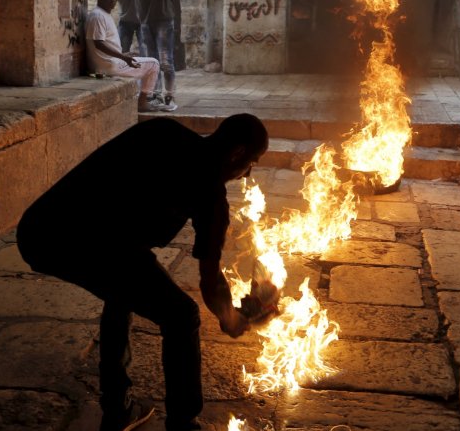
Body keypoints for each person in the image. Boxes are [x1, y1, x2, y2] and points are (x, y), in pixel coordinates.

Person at [16, 113, 270, 431]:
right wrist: (230, 319)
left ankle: (116, 408)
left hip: (40, 227)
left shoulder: (161, 130)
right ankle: (183, 421)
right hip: (79, 240)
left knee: (122, 290)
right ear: (236, 153)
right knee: (182, 315)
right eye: (252, 162)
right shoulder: (212, 197)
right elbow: (209, 279)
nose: (248, 173)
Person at [88, 0, 182, 111]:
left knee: (166, 59)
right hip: (145, 20)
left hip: (163, 17)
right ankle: (154, 94)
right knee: (153, 59)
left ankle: (169, 96)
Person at [86, 0, 162, 112]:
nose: (114, 0)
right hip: (108, 66)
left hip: (108, 62)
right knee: (154, 64)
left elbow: (105, 43)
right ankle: (142, 103)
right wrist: (123, 57)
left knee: (139, 68)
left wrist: (125, 54)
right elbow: (98, 43)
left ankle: (137, 100)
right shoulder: (98, 16)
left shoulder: (101, 14)